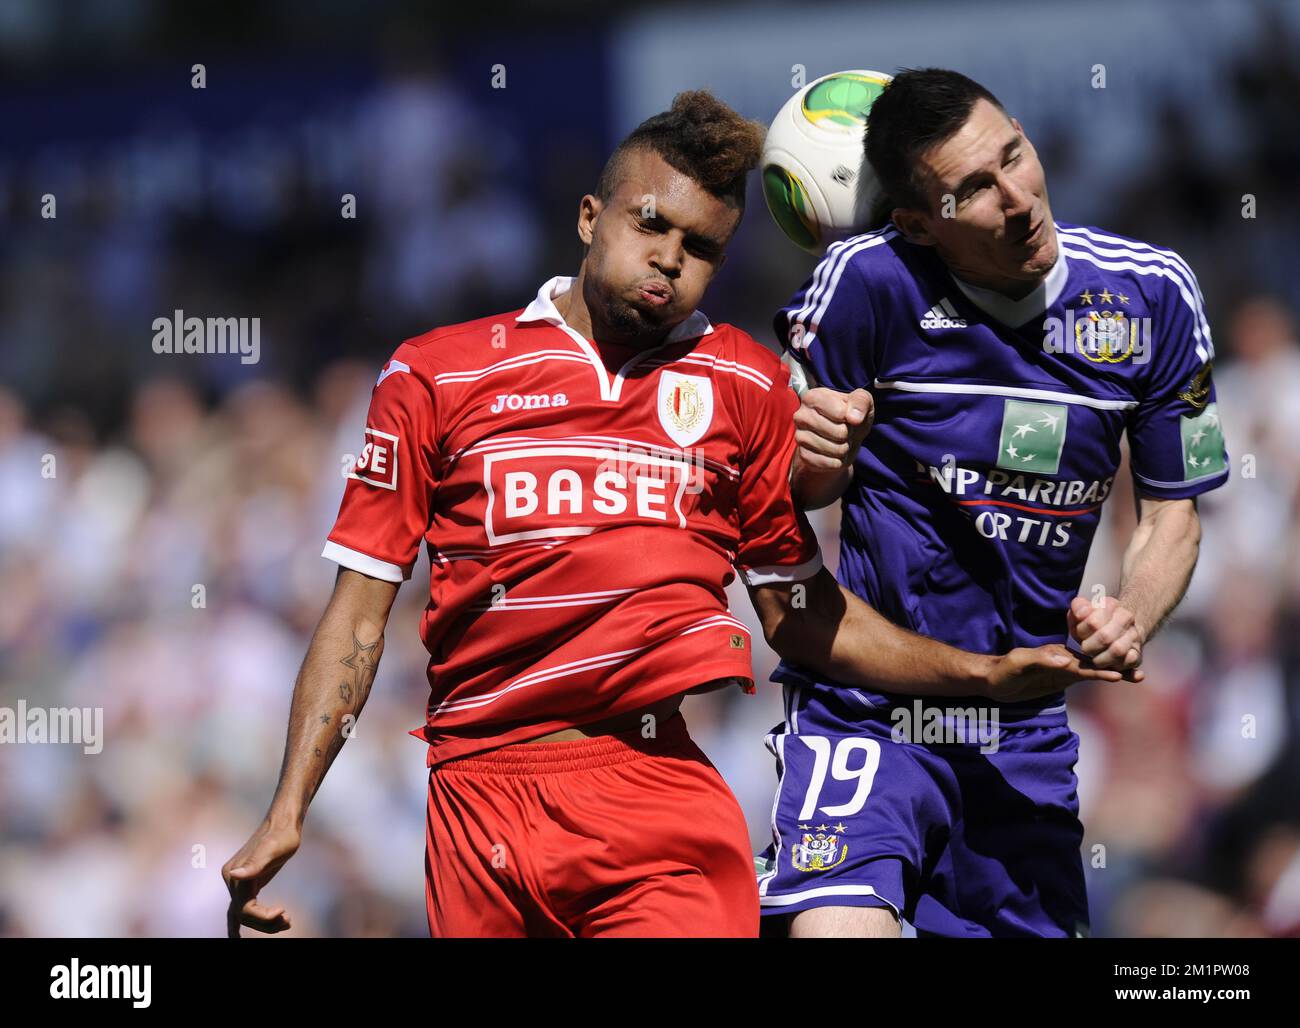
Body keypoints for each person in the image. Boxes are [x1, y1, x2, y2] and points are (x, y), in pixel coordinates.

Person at [223, 90, 1127, 939]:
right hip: (475, 802)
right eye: (649, 224)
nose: (668, 259)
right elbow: (356, 616)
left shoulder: (743, 383)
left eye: (701, 248)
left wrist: (978, 673)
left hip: (655, 800)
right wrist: (288, 811)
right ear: (590, 217)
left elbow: (799, 613)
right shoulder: (437, 374)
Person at [760, 67, 1227, 938]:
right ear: (915, 224)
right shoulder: (862, 285)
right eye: (975, 188)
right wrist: (818, 456)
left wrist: (1131, 613)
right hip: (868, 718)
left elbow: (1172, 513)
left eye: (1015, 154)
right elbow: (787, 498)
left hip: (1023, 735)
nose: (1019, 198)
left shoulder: (1153, 295)